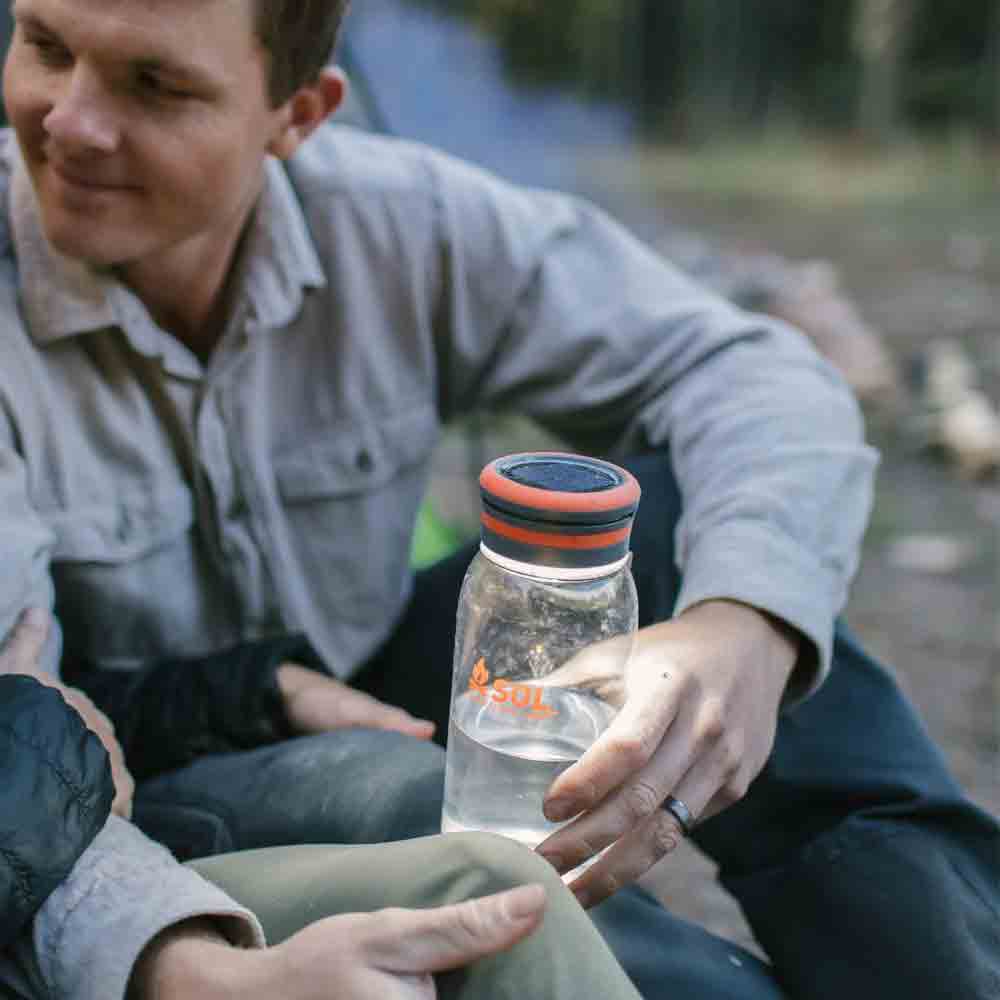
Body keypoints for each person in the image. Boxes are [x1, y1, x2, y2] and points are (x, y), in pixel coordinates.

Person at [0, 1, 995, 998]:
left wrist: (744, 625)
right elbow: (18, 755)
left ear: (298, 114)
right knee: (417, 808)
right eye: (46, 46)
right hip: (110, 805)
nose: (70, 120)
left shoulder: (400, 223)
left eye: (155, 86)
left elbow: (747, 368)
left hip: (359, 678)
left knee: (693, 543)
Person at [0, 608, 644, 1000]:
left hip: (76, 803)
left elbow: (41, 684)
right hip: (65, 865)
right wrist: (173, 960)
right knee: (486, 881)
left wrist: (250, 690)